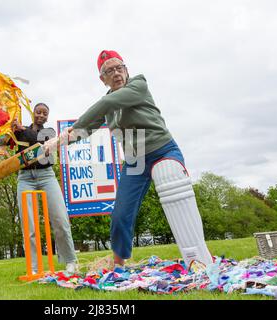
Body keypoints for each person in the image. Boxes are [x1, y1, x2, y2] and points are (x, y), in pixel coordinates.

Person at [58, 50, 213, 269]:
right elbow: (85, 129)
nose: (116, 73)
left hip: (163, 150)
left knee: (176, 196)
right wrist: (61, 141)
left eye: (119, 68)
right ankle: (119, 264)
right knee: (121, 214)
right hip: (135, 162)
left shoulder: (138, 85)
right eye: (109, 71)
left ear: (126, 70)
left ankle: (199, 258)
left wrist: (72, 127)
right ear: (102, 79)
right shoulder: (110, 107)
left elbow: (103, 105)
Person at [3, 102, 78, 274]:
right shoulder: (19, 132)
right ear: (33, 113)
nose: (41, 115)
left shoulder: (48, 132)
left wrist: (20, 129)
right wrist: (9, 132)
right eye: (38, 112)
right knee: (29, 225)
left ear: (47, 116)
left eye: (45, 113)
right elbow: (1, 142)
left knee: (60, 219)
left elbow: (37, 141)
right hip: (25, 178)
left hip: (46, 176)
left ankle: (70, 261)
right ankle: (35, 268)